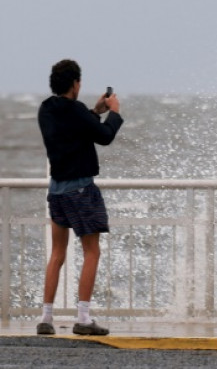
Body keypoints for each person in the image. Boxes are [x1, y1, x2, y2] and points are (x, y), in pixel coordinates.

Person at [35, 59, 122, 336]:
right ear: (75, 83)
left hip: (57, 191)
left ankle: (45, 317)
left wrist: (95, 111)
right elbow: (105, 136)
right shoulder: (75, 112)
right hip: (82, 190)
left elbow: (77, 125)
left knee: (57, 254)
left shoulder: (47, 109)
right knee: (91, 252)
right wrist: (114, 113)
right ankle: (83, 317)